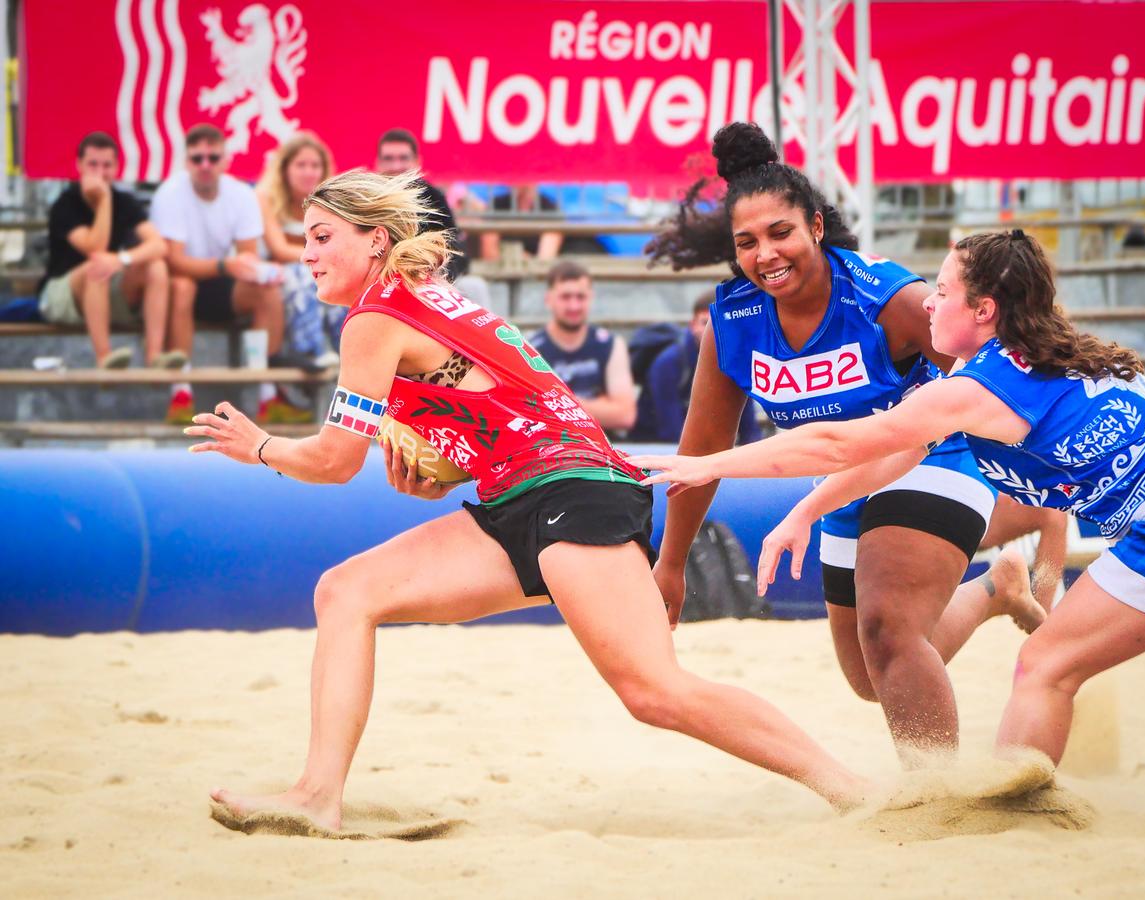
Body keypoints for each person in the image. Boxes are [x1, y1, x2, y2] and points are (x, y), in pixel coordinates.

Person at [185, 169, 867, 833]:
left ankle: (851, 789)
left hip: (570, 489)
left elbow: (336, 462)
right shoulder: (428, 294)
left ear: (375, 240)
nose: (306, 253)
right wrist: (442, 473)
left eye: (322, 236)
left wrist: (260, 447)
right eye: (304, 238)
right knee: (346, 592)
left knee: (655, 691)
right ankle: (317, 794)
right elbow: (502, 402)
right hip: (528, 491)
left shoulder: (374, 318)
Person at [630, 229, 1145, 767]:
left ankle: (1020, 806)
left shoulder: (980, 387)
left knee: (1044, 667)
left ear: (983, 310)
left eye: (943, 291)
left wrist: (710, 464)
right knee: (980, 668)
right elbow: (892, 455)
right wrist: (805, 511)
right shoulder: (1015, 363)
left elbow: (837, 443)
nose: (928, 301)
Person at [642, 123, 1042, 763]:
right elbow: (702, 455)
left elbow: (1001, 376)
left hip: (936, 455)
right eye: (747, 243)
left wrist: (1049, 474)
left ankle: (939, 796)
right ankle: (998, 587)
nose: (766, 254)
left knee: (889, 631)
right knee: (869, 676)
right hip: (842, 482)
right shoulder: (734, 322)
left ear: (816, 227)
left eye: (781, 233)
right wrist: (671, 562)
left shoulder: (889, 300)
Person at [151, 123, 299, 425]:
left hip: (223, 284)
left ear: (225, 160)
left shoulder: (241, 194)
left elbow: (248, 258)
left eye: (213, 158)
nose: (205, 165)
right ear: (186, 162)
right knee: (181, 286)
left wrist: (257, 270)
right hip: (181, 286)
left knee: (267, 291)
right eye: (197, 158)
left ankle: (266, 392)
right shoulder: (170, 193)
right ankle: (180, 394)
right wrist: (226, 266)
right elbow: (173, 262)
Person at [39, 131, 179, 369]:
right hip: (60, 295)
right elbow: (95, 247)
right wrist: (103, 201)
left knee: (156, 267)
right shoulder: (65, 204)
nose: (100, 172)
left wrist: (122, 259)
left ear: (116, 168)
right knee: (97, 266)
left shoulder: (125, 201)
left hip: (104, 291)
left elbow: (159, 245)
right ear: (79, 165)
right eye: (93, 164)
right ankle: (104, 358)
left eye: (106, 165)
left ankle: (155, 356)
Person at [631, 292, 762, 444]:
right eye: (705, 323)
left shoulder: (737, 359)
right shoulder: (668, 364)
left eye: (723, 323)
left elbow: (749, 429)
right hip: (654, 445)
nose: (713, 332)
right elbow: (671, 432)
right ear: (693, 325)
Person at [257, 131, 342, 367]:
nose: (308, 172)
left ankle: (348, 352)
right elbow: (279, 250)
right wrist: (321, 258)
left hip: (312, 272)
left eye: (315, 165)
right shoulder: (266, 198)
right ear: (285, 169)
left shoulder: (332, 203)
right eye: (301, 165)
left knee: (340, 279)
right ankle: (310, 351)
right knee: (303, 274)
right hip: (271, 279)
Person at [527, 261, 637, 433]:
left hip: (602, 444)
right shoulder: (530, 348)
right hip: (550, 443)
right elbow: (527, 412)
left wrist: (557, 403)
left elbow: (625, 415)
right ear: (548, 299)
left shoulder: (610, 344)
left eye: (581, 297)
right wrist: (601, 405)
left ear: (591, 298)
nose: (574, 306)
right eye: (565, 297)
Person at [374, 128, 468, 282]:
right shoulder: (367, 198)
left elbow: (453, 249)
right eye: (388, 158)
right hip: (375, 278)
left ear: (417, 162)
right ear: (378, 163)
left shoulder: (433, 198)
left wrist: (431, 277)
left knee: (474, 286)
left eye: (404, 158)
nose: (396, 166)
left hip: (426, 279)